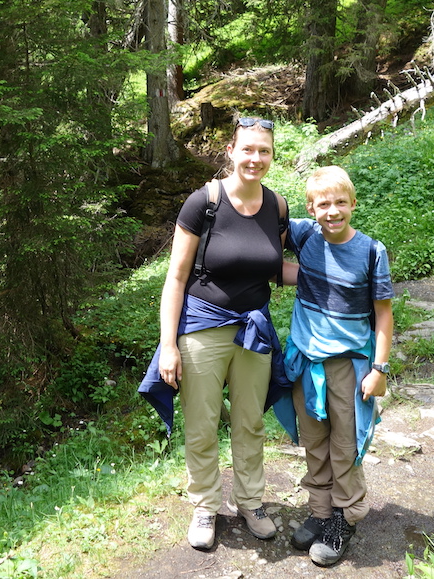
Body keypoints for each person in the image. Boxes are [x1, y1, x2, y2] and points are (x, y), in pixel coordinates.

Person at [141, 117, 289, 551]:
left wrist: (336, 276)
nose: (255, 158)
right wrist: (169, 345)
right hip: (202, 328)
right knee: (202, 424)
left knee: (250, 422)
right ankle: (205, 506)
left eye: (264, 151)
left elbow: (273, 269)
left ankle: (251, 502)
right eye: (248, 149)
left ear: (272, 155)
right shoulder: (203, 202)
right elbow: (175, 277)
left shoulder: (276, 206)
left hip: (253, 330)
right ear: (231, 151)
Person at [282, 165, 394, 567]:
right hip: (306, 361)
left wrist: (379, 369)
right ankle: (319, 511)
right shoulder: (305, 236)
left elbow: (383, 314)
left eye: (340, 202)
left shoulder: (371, 252)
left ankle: (346, 517)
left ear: (353, 204)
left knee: (346, 445)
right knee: (314, 442)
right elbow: (263, 214)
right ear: (311, 209)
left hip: (348, 365)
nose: (333, 211)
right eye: (323, 204)